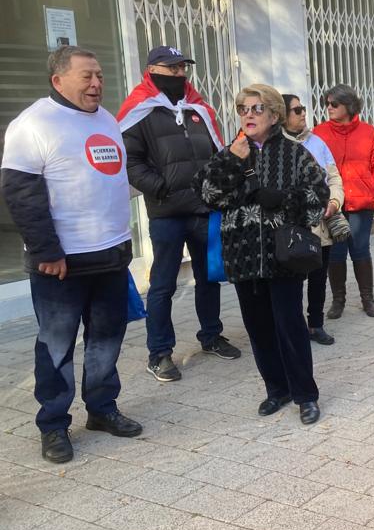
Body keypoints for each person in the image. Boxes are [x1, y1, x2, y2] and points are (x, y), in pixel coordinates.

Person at [1, 46, 142, 463]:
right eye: (86, 76)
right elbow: (21, 194)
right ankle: (54, 424)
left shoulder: (107, 119)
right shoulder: (34, 123)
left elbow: (112, 180)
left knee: (106, 338)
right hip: (60, 262)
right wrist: (46, 250)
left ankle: (101, 409)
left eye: (99, 75)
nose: (97, 83)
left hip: (110, 254)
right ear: (58, 80)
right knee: (57, 346)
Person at [195, 85, 329, 425]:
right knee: (257, 327)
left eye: (256, 109)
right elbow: (208, 195)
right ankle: (276, 389)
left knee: (289, 325)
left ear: (273, 115)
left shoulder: (294, 153)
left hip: (281, 256)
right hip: (241, 255)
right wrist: (230, 161)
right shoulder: (230, 152)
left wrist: (282, 198)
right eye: (243, 109)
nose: (249, 115)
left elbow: (319, 195)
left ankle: (305, 395)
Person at [116, 45, 239, 383]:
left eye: (183, 67)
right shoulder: (140, 110)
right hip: (167, 213)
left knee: (209, 277)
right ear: (152, 70)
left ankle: (211, 335)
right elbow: (130, 161)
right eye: (171, 69)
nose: (179, 74)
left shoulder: (198, 109)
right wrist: (161, 187)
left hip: (203, 209)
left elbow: (217, 153)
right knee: (162, 285)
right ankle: (159, 353)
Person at [312, 85, 374, 318]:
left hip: (361, 202)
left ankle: (368, 298)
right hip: (332, 204)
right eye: (327, 103)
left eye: (334, 104)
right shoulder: (320, 133)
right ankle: (338, 300)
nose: (329, 108)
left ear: (348, 105)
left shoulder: (368, 132)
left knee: (360, 250)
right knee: (335, 254)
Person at [281, 93, 348, 345]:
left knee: (319, 277)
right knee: (295, 279)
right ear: (282, 115)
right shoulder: (275, 146)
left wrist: (334, 201)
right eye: (296, 110)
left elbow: (334, 178)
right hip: (293, 225)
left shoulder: (317, 143)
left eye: (303, 109)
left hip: (322, 222)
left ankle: (315, 324)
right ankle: (294, 326)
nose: (302, 114)